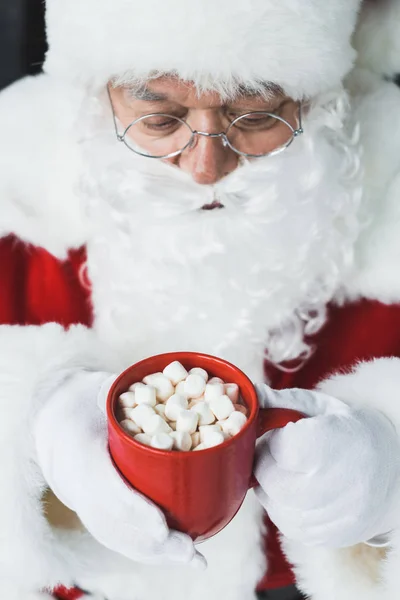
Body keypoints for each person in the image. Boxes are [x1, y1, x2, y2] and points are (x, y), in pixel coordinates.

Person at [0, 0, 400, 599]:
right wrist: (29, 430)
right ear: (99, 96)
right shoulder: (14, 175)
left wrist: (391, 481)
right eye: (159, 119)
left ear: (317, 100)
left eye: (257, 113)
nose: (206, 165)